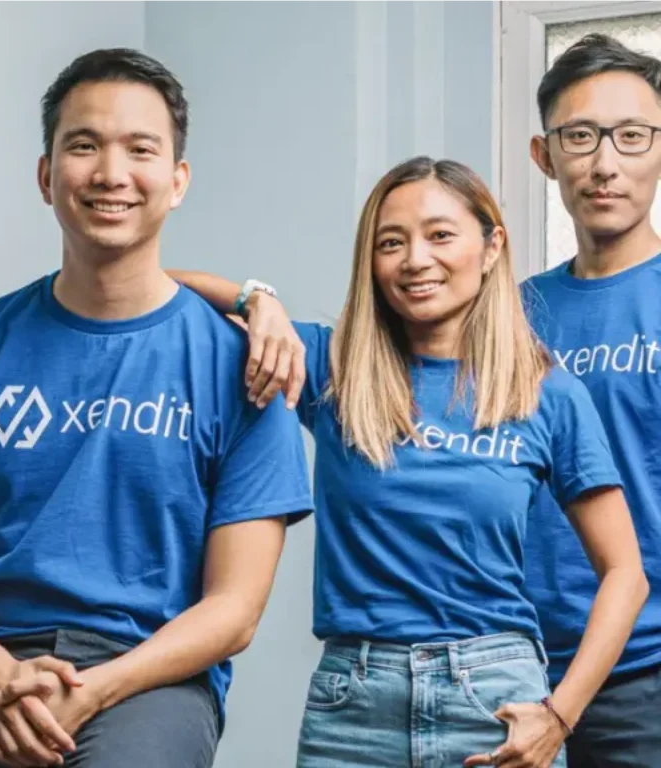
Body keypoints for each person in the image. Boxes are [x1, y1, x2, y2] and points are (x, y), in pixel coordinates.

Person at [0, 48, 314, 768]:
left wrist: (95, 690)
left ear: (177, 180)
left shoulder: (246, 368)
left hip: (151, 676)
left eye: (140, 150)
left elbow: (234, 610)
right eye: (84, 145)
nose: (111, 173)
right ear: (46, 175)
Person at [169, 155, 648, 767]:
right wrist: (256, 300)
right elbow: (152, 291)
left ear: (492, 246)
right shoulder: (333, 367)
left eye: (440, 235)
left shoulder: (545, 391)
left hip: (496, 698)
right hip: (354, 710)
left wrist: (559, 715)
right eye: (391, 242)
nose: (415, 259)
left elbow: (625, 574)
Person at [520, 33, 661, 766]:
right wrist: (256, 299)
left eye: (632, 136)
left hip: (648, 674)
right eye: (580, 136)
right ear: (545, 156)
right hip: (511, 670)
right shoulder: (508, 315)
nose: (606, 163)